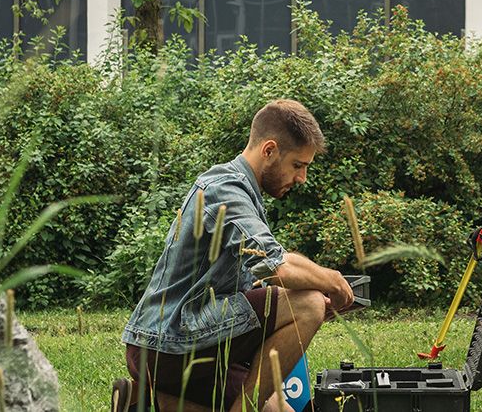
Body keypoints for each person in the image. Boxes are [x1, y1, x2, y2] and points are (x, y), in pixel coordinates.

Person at [114, 99, 354, 411]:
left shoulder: (244, 191)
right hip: (169, 343)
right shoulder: (224, 189)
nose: (301, 178)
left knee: (278, 409)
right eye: (298, 165)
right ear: (268, 150)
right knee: (306, 304)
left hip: (192, 342)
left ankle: (146, 404)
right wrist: (332, 282)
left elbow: (268, 265)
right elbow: (276, 266)